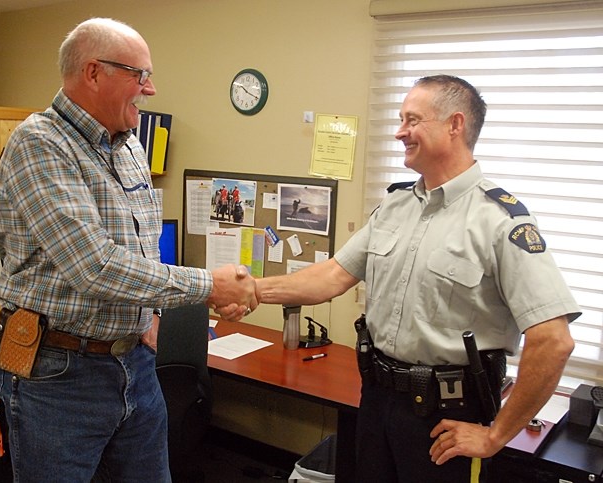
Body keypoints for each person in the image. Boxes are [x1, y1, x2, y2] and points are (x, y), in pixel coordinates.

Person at [247, 75, 580, 482]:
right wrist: (251, 290)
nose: (399, 131)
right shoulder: (394, 205)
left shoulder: (500, 221)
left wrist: (495, 435)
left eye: (412, 119)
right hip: (376, 399)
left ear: (454, 125)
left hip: (447, 419)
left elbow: (554, 340)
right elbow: (332, 276)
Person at [0, 18, 257, 483]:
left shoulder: (130, 144)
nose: (150, 89)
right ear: (93, 73)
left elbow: (139, 248)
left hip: (134, 364)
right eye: (140, 75)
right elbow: (93, 267)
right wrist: (208, 286)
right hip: (59, 374)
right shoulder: (39, 145)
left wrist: (148, 314)